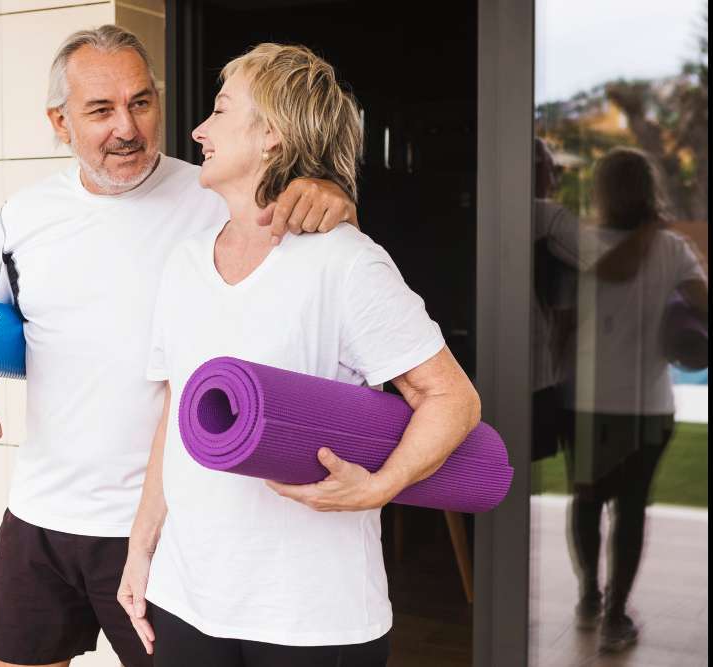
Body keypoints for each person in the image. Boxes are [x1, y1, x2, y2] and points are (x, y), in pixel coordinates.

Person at [0, 26, 360, 667]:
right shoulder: (22, 217)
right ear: (60, 122)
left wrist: (332, 197)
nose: (127, 128)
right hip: (39, 513)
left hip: (160, 527)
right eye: (100, 110)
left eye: (140, 102)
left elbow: (320, 251)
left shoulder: (213, 196)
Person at [117, 44, 481, 665]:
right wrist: (141, 546)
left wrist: (381, 486)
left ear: (273, 136)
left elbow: (451, 397)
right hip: (187, 598)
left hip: (311, 620)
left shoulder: (345, 262)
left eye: (220, 111)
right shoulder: (183, 264)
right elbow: (177, 414)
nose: (199, 130)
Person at [558, 147, 707, 652]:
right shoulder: (663, 247)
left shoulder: (580, 242)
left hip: (596, 403)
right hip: (638, 406)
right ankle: (610, 610)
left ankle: (596, 600)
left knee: (591, 500)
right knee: (622, 508)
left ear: (603, 191)